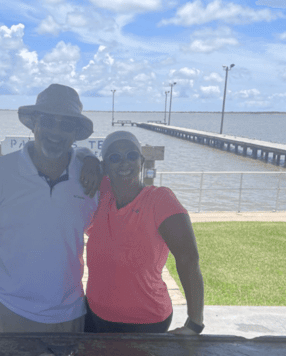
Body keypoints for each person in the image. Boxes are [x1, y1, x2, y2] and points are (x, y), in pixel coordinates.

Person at [0, 83, 101, 333]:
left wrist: (90, 158)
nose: (55, 131)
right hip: (8, 309)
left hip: (69, 312)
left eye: (66, 124)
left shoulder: (90, 178)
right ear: (34, 123)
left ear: (75, 133)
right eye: (47, 121)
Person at [85, 131, 204, 335]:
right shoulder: (100, 194)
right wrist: (87, 158)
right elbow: (72, 158)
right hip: (95, 314)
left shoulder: (159, 200)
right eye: (115, 158)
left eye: (131, 156)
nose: (124, 163)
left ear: (141, 161)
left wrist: (194, 324)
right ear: (105, 167)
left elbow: (188, 258)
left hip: (146, 322)